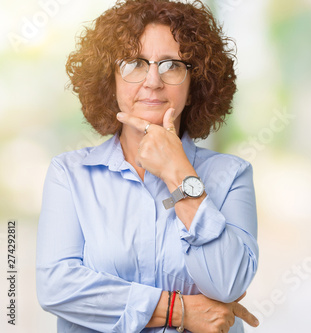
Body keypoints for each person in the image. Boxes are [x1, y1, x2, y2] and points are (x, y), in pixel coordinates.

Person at [36, 1, 259, 332]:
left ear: (194, 83)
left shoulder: (232, 176)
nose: (153, 81)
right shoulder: (69, 175)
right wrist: (178, 310)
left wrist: (179, 174)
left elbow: (227, 282)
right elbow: (56, 287)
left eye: (172, 65)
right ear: (109, 78)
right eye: (134, 63)